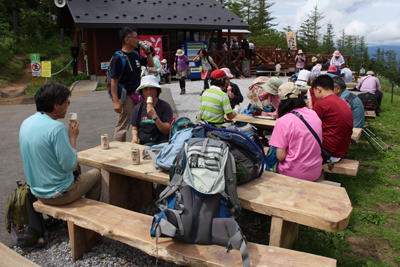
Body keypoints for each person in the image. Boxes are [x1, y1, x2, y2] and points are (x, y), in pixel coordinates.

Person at [19, 82, 102, 205]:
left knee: (77, 167)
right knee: (97, 174)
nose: (67, 107)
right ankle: (88, 211)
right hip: (58, 194)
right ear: (56, 106)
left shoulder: (26, 122)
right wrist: (73, 137)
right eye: (66, 102)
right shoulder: (56, 128)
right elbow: (69, 164)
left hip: (37, 191)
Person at [268, 82, 323, 181]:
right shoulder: (313, 114)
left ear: (281, 102)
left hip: (293, 173)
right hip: (316, 171)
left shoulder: (283, 121)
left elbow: (280, 157)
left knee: (267, 165)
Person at [110, 27, 154, 142]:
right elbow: (113, 80)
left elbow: (151, 64)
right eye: (136, 37)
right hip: (127, 96)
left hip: (138, 94)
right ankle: (119, 149)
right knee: (124, 125)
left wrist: (148, 52)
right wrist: (116, 102)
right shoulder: (118, 58)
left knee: (141, 121)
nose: (138, 40)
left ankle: (139, 143)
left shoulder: (135, 54)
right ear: (127, 40)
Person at [312, 75, 353, 162]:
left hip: (328, 153)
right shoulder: (342, 102)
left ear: (319, 89)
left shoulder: (320, 104)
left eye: (314, 91)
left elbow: (312, 129)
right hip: (341, 151)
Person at [131, 76, 173, 146]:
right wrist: (134, 137)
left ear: (157, 91)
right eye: (145, 89)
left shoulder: (165, 107)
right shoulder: (138, 108)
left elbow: (166, 131)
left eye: (152, 89)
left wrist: (155, 116)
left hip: (161, 142)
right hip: (144, 142)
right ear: (142, 91)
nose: (149, 92)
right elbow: (134, 128)